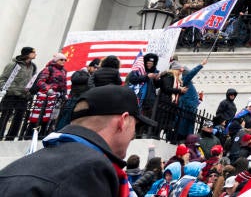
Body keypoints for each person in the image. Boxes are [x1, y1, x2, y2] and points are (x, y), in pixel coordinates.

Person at [0, 84, 154, 196]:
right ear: (124, 120)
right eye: (136, 125)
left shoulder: (17, 166)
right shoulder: (92, 168)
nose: (134, 134)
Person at [25, 52, 68, 139]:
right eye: (61, 59)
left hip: (55, 97)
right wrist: (48, 89)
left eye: (65, 60)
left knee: (49, 119)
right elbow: (40, 81)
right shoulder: (49, 69)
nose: (63, 61)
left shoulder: (64, 71)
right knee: (37, 118)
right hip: (44, 96)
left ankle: (42, 136)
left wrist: (65, 93)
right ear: (56, 60)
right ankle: (29, 136)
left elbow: (64, 84)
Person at [0, 47, 37, 140]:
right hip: (11, 95)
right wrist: (7, 89)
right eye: (33, 52)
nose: (35, 54)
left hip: (24, 96)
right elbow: (3, 78)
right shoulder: (14, 64)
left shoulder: (33, 66)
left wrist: (30, 93)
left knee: (19, 118)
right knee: (5, 116)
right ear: (27, 54)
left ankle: (11, 137)